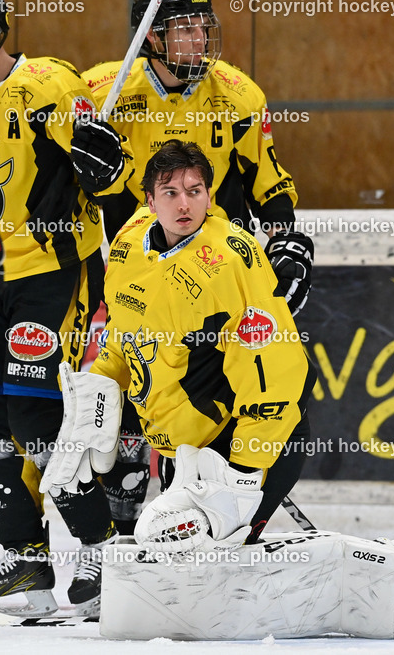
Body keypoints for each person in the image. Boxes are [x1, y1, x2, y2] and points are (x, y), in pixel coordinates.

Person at [82, 0, 314, 536]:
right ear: (153, 38)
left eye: (203, 27)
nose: (200, 39)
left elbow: (269, 185)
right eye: (185, 29)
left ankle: (220, 511)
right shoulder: (100, 92)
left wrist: (283, 239)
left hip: (213, 274)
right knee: (128, 401)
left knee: (246, 391)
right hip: (131, 267)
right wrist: (81, 167)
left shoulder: (237, 95)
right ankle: (118, 538)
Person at [0, 0, 132, 617]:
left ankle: (99, 548)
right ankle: (26, 558)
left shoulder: (50, 85)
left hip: (54, 272)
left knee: (36, 418)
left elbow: (110, 176)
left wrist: (106, 168)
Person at [43, 139, 315, 549]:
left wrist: (244, 472)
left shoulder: (230, 261)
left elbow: (275, 372)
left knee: (198, 561)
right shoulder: (131, 243)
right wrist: (95, 392)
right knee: (175, 572)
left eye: (195, 191)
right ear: (150, 202)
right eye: (170, 193)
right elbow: (126, 333)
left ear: (209, 194)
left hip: (243, 442)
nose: (184, 204)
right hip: (183, 451)